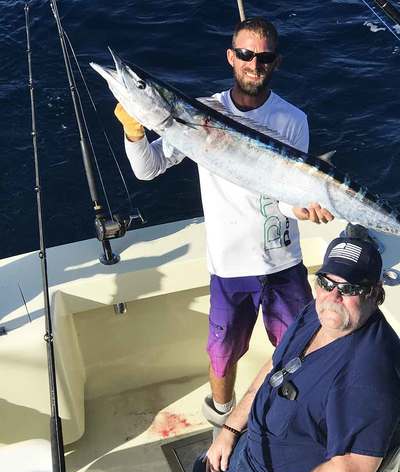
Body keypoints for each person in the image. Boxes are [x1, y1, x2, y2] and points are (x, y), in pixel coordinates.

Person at [114, 17, 333, 435]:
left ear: (276, 62)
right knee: (222, 355)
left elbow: (285, 196)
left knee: (301, 347)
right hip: (229, 267)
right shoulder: (200, 112)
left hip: (283, 262)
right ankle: (222, 421)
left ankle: (300, 422)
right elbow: (148, 169)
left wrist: (302, 210)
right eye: (246, 54)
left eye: (264, 57)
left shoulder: (293, 119)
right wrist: (134, 131)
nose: (254, 64)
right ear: (231, 57)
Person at [183, 235, 400, 472]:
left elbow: (354, 468)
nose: (333, 296)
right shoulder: (316, 313)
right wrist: (230, 430)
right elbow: (275, 365)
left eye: (349, 288)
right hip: (258, 454)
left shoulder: (370, 374)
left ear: (374, 293)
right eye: (326, 282)